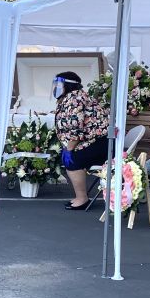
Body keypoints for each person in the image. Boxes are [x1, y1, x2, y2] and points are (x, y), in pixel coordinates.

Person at [54, 71, 110, 210]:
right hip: (96, 141)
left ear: (67, 85)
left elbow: (76, 130)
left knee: (74, 159)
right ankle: (81, 196)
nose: (56, 88)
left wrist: (69, 149)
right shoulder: (72, 97)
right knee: (71, 156)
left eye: (58, 84)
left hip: (101, 143)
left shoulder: (75, 99)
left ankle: (82, 198)